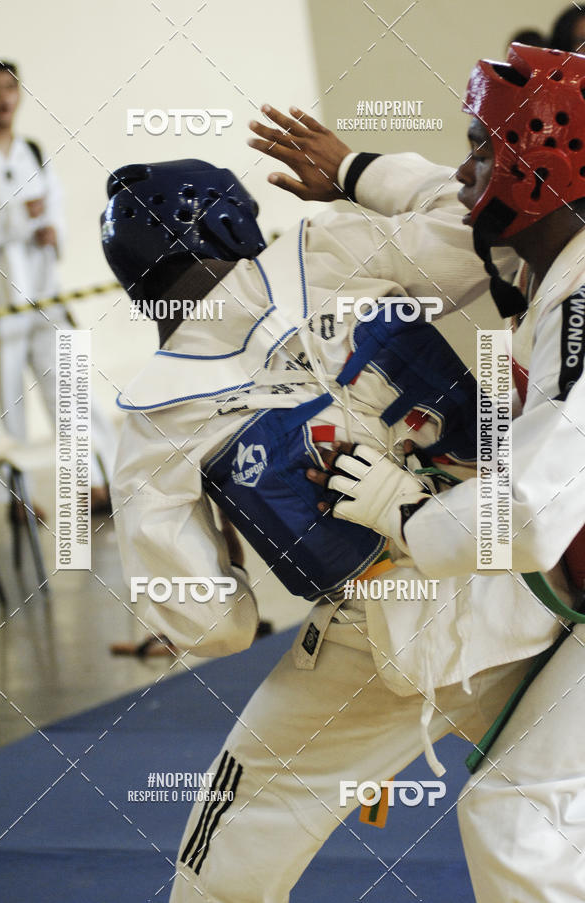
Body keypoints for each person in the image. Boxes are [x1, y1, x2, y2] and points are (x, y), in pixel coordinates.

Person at [105, 104, 578, 899]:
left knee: (226, 842)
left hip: (380, 638)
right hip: (536, 590)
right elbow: (478, 237)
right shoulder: (327, 249)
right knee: (537, 823)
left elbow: (216, 627)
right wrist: (358, 172)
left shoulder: (153, 422)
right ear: (233, 221)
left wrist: (236, 524)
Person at [306, 43, 585, 902]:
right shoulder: (559, 252)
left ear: (534, 167)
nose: (465, 169)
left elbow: (533, 514)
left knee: (519, 813)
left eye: (481, 148)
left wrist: (405, 508)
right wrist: (352, 167)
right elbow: (441, 192)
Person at [0, 60, 116, 516]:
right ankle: (16, 498)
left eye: (9, 88)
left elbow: (54, 209)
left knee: (70, 383)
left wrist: (49, 229)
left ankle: (97, 481)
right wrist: (21, 218)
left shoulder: (33, 151)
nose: (2, 98)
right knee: (8, 397)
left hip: (44, 290)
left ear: (19, 94)